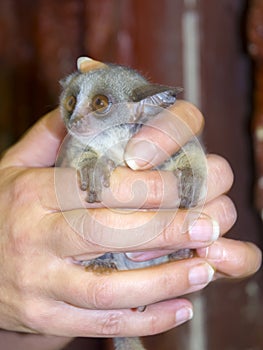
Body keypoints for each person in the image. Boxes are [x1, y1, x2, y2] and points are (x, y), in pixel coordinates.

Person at [0, 58, 261, 350]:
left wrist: (191, 173)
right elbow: (81, 159)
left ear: (141, 106)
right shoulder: (74, 144)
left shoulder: (147, 121)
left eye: (99, 103)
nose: (75, 118)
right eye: (72, 101)